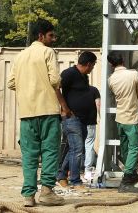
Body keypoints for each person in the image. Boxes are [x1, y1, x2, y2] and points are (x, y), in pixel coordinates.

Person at [7, 19, 68, 208]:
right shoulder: (48, 52)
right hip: (48, 110)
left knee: (29, 156)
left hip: (26, 114)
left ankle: (28, 196)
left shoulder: (20, 56)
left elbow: (11, 83)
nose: (54, 39)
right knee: (50, 152)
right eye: (51, 35)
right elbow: (55, 80)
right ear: (41, 36)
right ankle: (47, 192)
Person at [57, 51, 97, 189]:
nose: (93, 68)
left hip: (83, 120)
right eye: (93, 65)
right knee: (78, 149)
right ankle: (75, 180)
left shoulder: (84, 77)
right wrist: (65, 108)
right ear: (88, 64)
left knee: (73, 149)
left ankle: (62, 175)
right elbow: (56, 88)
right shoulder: (69, 73)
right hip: (71, 118)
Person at [107, 51, 138, 194]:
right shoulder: (133, 74)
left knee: (126, 147)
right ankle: (126, 180)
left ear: (111, 64)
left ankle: (132, 173)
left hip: (120, 118)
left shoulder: (111, 79)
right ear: (123, 60)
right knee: (134, 147)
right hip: (131, 118)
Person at [84, 84, 101, 178]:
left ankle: (68, 171)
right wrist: (100, 116)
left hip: (77, 122)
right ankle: (88, 171)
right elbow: (98, 105)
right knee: (89, 144)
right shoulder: (94, 90)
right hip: (90, 122)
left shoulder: (75, 91)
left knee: (74, 147)